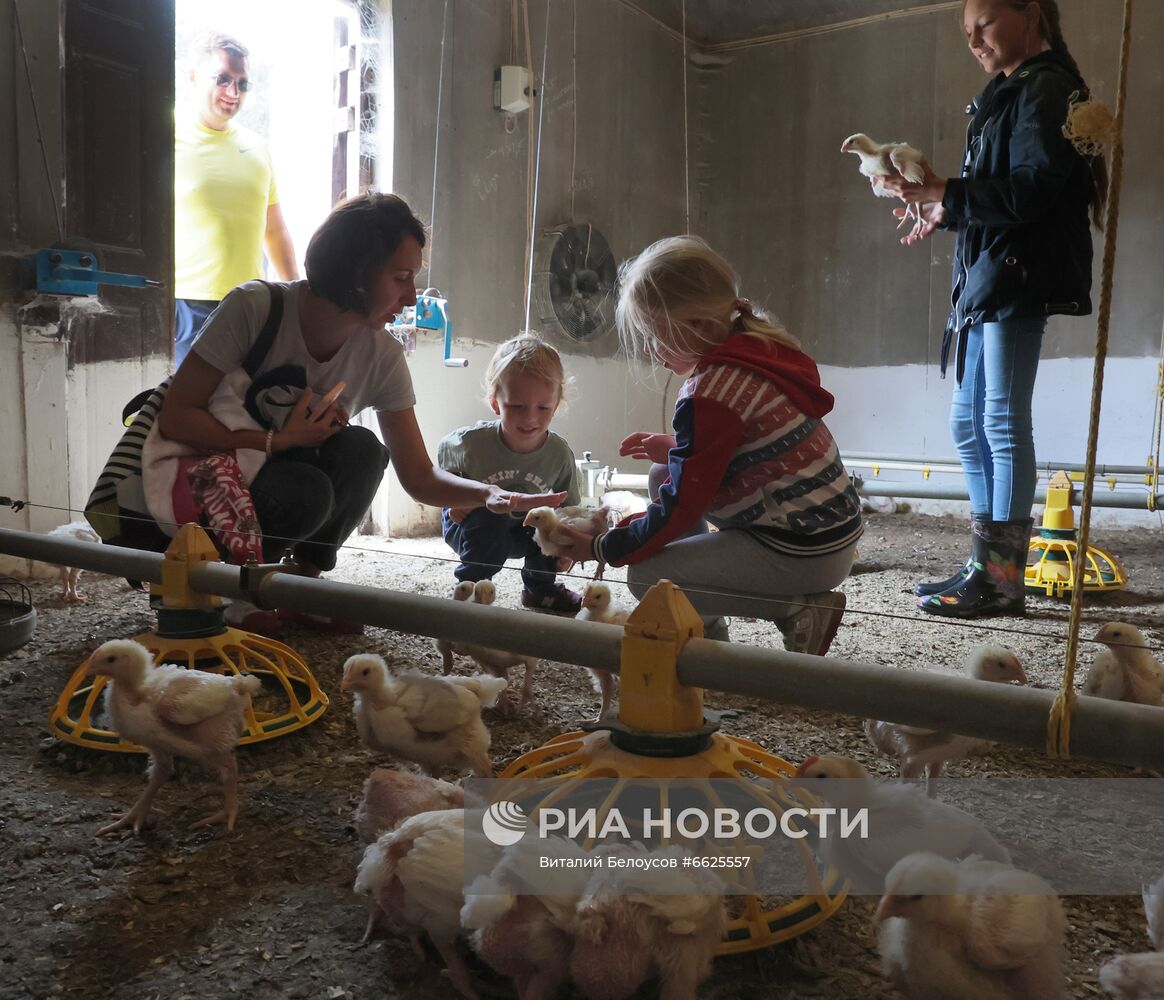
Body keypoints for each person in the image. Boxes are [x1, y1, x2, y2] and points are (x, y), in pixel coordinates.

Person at [156, 192, 565, 632]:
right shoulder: (255, 308)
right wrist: (277, 441)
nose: (411, 296)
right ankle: (236, 588)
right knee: (308, 488)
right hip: (208, 480)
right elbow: (177, 417)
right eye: (401, 277)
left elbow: (419, 476)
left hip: (282, 472)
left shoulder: (381, 354)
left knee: (364, 451)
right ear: (356, 274)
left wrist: (487, 495)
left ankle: (301, 585)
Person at [878, 0, 1106, 619]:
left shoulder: (1048, 87)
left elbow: (1032, 191)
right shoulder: (1008, 91)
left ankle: (1003, 579)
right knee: (967, 424)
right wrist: (943, 208)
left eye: (986, 25)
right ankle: (987, 563)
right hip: (989, 276)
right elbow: (1002, 195)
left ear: (1029, 13)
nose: (975, 40)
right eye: (967, 33)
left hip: (1016, 277)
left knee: (1001, 420)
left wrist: (944, 192)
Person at [555, 236, 863, 656]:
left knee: (648, 578)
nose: (650, 350)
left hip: (799, 551)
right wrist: (676, 447)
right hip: (828, 536)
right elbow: (745, 444)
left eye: (654, 336)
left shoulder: (710, 391)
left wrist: (604, 545)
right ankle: (707, 630)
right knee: (664, 471)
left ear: (696, 326)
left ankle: (795, 610)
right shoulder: (756, 347)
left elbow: (681, 506)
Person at [174, 32, 300, 368]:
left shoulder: (258, 148)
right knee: (185, 410)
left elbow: (275, 232)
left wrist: (298, 302)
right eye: (223, 79)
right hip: (186, 305)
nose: (233, 92)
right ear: (192, 77)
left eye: (242, 84)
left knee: (245, 410)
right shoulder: (165, 139)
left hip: (251, 305)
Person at [437, 335, 582, 615]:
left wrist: (566, 549)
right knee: (490, 515)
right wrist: (456, 499)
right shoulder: (469, 443)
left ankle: (539, 589)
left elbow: (569, 509)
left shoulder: (559, 454)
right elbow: (443, 457)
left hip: (523, 530)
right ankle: (471, 585)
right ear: (495, 403)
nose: (530, 418)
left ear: (557, 404)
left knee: (551, 523)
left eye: (543, 408)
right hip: (471, 525)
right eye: (517, 406)